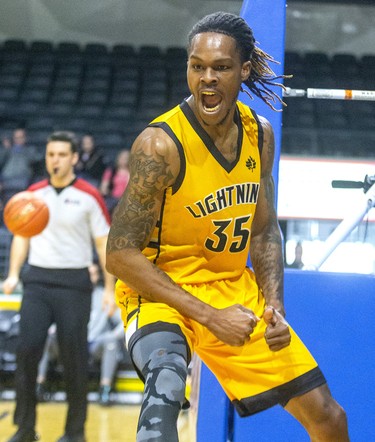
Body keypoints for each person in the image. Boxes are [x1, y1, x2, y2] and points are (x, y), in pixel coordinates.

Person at [106, 11, 349, 442]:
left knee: (329, 418)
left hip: (233, 290)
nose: (207, 79)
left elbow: (263, 230)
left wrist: (274, 307)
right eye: (197, 66)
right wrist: (209, 317)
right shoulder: (159, 144)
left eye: (220, 68)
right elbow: (120, 254)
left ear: (244, 71)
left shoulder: (261, 135)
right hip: (162, 292)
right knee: (163, 392)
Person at [3, 130, 116, 442]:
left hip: (74, 284)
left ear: (75, 158)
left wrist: (109, 289)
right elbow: (20, 235)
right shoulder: (32, 194)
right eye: (51, 154)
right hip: (37, 282)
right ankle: (25, 428)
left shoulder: (89, 196)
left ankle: (74, 432)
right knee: (26, 352)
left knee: (74, 359)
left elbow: (103, 243)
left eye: (62, 154)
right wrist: (13, 273)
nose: (55, 160)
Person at [36, 263, 128, 407]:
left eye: (94, 274)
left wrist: (114, 335)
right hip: (68, 343)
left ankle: (105, 390)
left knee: (110, 342)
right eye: (88, 273)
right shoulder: (68, 295)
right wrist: (53, 328)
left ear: (98, 276)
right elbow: (53, 317)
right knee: (47, 338)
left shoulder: (104, 296)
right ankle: (39, 385)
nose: (91, 277)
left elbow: (124, 319)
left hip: (93, 344)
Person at [0, 128, 42, 204]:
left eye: (21, 137)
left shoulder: (30, 150)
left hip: (23, 184)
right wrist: (6, 149)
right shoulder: (7, 151)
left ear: (25, 138)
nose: (18, 140)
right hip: (7, 184)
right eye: (16, 138)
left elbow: (37, 159)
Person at [99, 149, 130, 215]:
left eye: (126, 158)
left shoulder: (132, 173)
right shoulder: (111, 172)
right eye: (121, 157)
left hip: (126, 200)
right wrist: (106, 191)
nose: (123, 160)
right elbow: (103, 188)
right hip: (112, 199)